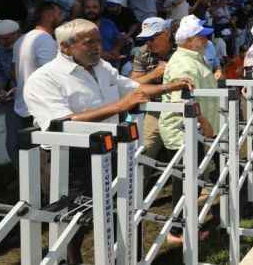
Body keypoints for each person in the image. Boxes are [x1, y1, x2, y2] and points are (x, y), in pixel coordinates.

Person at [23, 18, 190, 264]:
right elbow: (61, 123)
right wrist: (120, 106)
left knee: (123, 211)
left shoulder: (102, 67)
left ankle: (127, 259)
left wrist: (170, 87)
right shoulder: (44, 79)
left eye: (99, 41)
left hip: (110, 150)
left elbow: (134, 89)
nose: (97, 47)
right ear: (65, 47)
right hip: (70, 160)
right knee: (73, 223)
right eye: (89, 42)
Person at [158, 15, 219, 244]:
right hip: (184, 131)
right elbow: (183, 101)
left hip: (194, 130)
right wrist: (204, 122)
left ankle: (184, 226)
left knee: (190, 181)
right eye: (202, 36)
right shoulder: (183, 63)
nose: (206, 39)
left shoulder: (193, 58)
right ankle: (178, 231)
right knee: (185, 183)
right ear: (190, 40)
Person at [10, 2, 62, 169]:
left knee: (30, 158)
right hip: (39, 108)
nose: (61, 18)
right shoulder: (45, 39)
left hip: (24, 105)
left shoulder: (21, 39)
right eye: (58, 14)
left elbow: (13, 72)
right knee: (44, 160)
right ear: (49, 16)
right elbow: (50, 75)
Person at [131, 17, 175, 164]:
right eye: (145, 39)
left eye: (152, 38)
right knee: (144, 150)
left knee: (186, 150)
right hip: (155, 108)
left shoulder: (182, 49)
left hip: (181, 107)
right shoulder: (142, 52)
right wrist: (153, 74)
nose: (149, 43)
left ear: (167, 34)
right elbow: (132, 84)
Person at [82, 0, 126, 64]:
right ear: (83, 9)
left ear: (100, 9)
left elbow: (119, 39)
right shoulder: (77, 26)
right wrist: (101, 54)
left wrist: (115, 50)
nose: (91, 10)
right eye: (87, 7)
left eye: (95, 7)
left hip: (110, 63)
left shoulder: (108, 23)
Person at [0, 19, 20, 103]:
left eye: (6, 38)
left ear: (16, 34)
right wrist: (1, 90)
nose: (2, 42)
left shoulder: (28, 46)